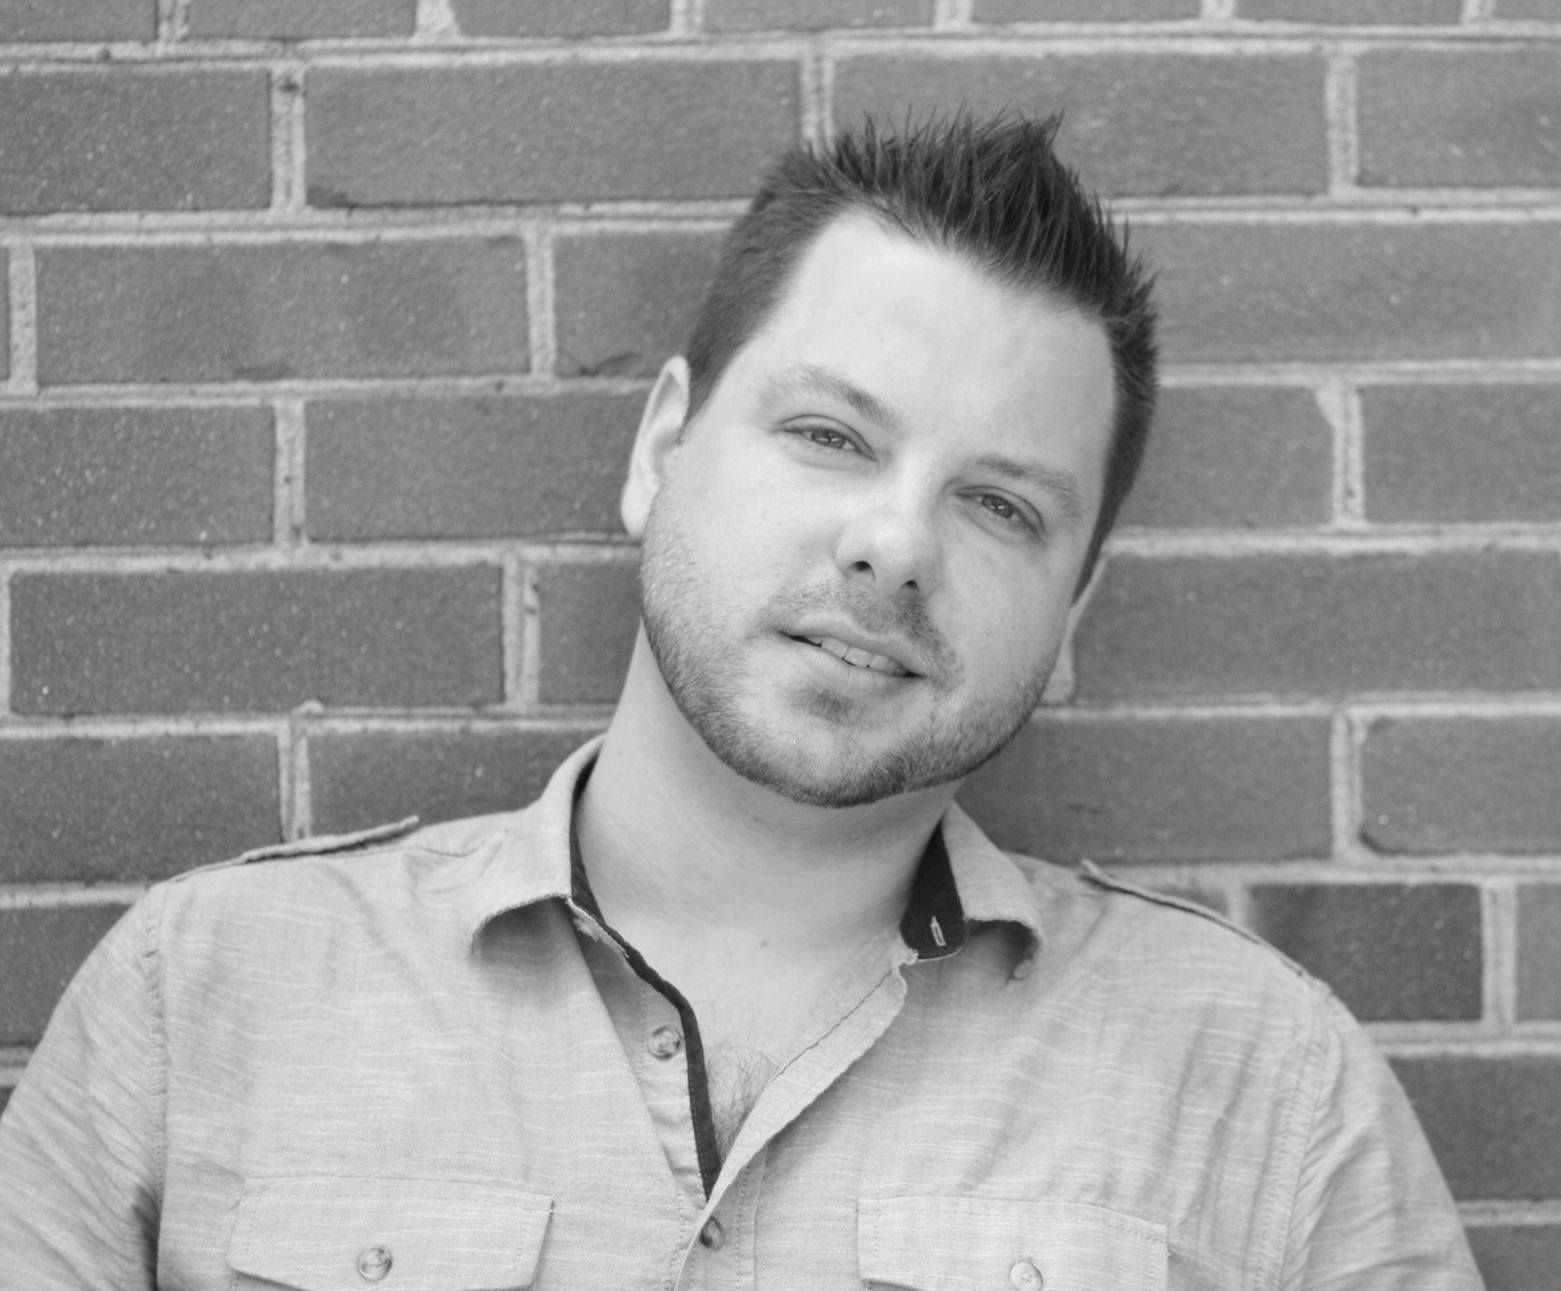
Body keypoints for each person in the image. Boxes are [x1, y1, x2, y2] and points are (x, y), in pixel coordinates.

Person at [0, 113, 1482, 1289]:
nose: (894, 546)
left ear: (1073, 602)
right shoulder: (205, 997)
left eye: (1002, 507)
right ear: (660, 446)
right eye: (832, 434)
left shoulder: (1266, 1090)